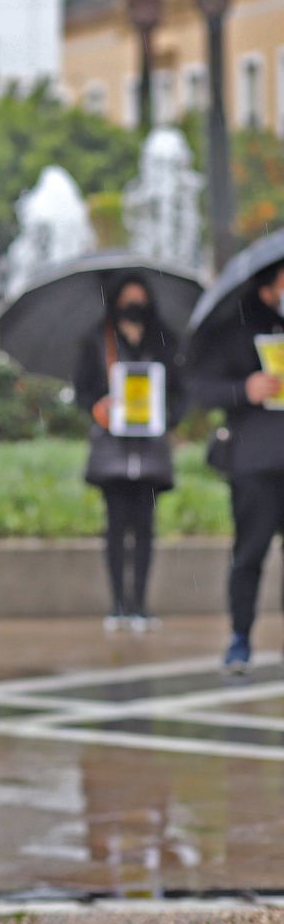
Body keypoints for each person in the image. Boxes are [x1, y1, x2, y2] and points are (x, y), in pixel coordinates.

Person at [72, 274, 185, 634]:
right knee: (116, 527)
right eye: (128, 295)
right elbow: (83, 392)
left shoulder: (164, 338)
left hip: (151, 450)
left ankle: (141, 603)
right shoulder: (97, 339)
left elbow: (181, 390)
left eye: (140, 296)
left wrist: (166, 417)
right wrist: (99, 407)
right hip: (113, 450)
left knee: (146, 528)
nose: (134, 302)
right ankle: (119, 602)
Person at [187, 258, 284, 673]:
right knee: (249, 554)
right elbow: (200, 389)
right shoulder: (233, 331)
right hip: (254, 463)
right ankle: (240, 637)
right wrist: (244, 389)